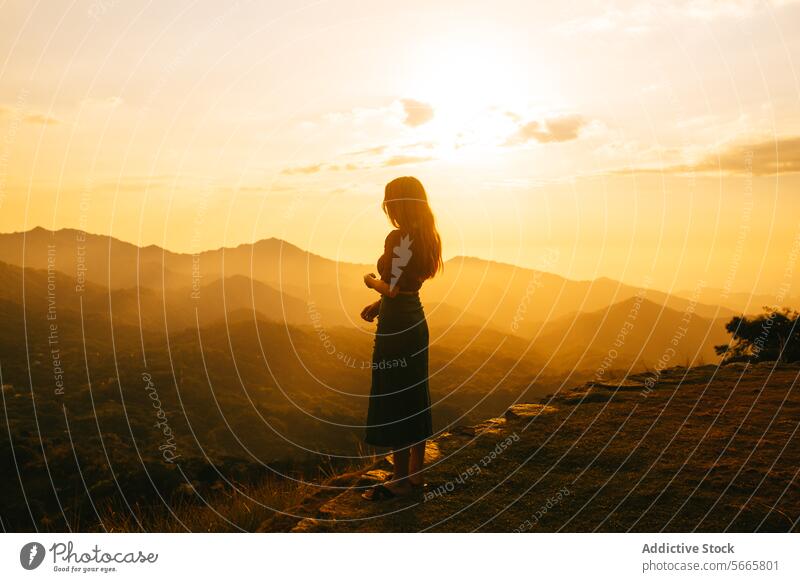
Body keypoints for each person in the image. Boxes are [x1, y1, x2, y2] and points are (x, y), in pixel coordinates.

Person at [360, 176, 444, 500]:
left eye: (389, 203)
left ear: (397, 205)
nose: (388, 210)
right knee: (414, 398)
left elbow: (392, 287)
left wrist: (369, 281)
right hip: (415, 321)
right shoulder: (427, 237)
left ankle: (397, 479)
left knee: (395, 398)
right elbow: (407, 288)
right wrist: (378, 305)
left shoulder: (398, 238)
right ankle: (416, 477)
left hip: (396, 330)